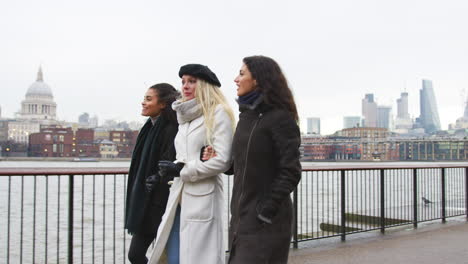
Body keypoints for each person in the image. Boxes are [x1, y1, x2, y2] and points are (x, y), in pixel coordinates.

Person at [148, 64, 236, 264]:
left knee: (197, 257)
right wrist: (168, 171)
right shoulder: (185, 117)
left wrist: (182, 169)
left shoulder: (218, 112)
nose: (185, 86)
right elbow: (186, 155)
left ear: (205, 85)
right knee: (173, 256)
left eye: (192, 81)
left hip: (202, 195)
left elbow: (222, 160)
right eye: (183, 82)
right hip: (179, 195)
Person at [222, 55, 301, 263]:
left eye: (241, 74)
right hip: (240, 218)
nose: (235, 79)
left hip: (266, 221)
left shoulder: (280, 118)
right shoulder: (245, 118)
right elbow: (241, 164)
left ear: (257, 79)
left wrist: (266, 209)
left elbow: (291, 171)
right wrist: (221, 160)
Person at [125, 83, 180, 264]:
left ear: (163, 104)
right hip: (147, 203)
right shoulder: (149, 127)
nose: (143, 103)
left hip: (161, 203)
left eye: (149, 99)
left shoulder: (171, 129)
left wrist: (157, 177)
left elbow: (170, 162)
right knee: (137, 255)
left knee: (141, 255)